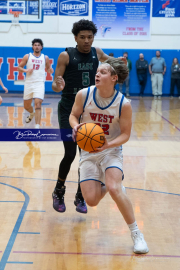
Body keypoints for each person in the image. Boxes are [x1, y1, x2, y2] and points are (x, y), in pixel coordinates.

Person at [69, 58, 149, 254]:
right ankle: (109, 183)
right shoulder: (84, 94)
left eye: (103, 72)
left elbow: (125, 135)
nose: (97, 74)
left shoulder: (124, 103)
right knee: (92, 201)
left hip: (111, 150)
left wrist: (107, 144)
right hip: (88, 151)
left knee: (114, 189)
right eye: (98, 71)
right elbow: (73, 115)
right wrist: (75, 126)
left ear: (114, 78)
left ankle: (137, 233)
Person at [51, 19, 124, 214]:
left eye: (90, 37)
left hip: (89, 110)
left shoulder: (96, 53)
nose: (86, 41)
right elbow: (54, 83)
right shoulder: (66, 56)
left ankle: (80, 195)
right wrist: (58, 85)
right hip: (69, 109)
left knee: (87, 154)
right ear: (75, 38)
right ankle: (59, 190)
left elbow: (112, 61)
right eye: (82, 37)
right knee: (70, 153)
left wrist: (120, 63)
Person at [18, 39, 54, 128]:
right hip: (29, 83)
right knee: (26, 106)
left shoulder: (45, 57)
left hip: (39, 83)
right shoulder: (27, 56)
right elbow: (19, 67)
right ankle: (31, 113)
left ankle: (37, 126)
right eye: (35, 45)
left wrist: (50, 70)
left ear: (41, 47)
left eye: (38, 45)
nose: (37, 46)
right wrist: (26, 70)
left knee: (38, 103)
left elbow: (49, 68)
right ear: (33, 46)